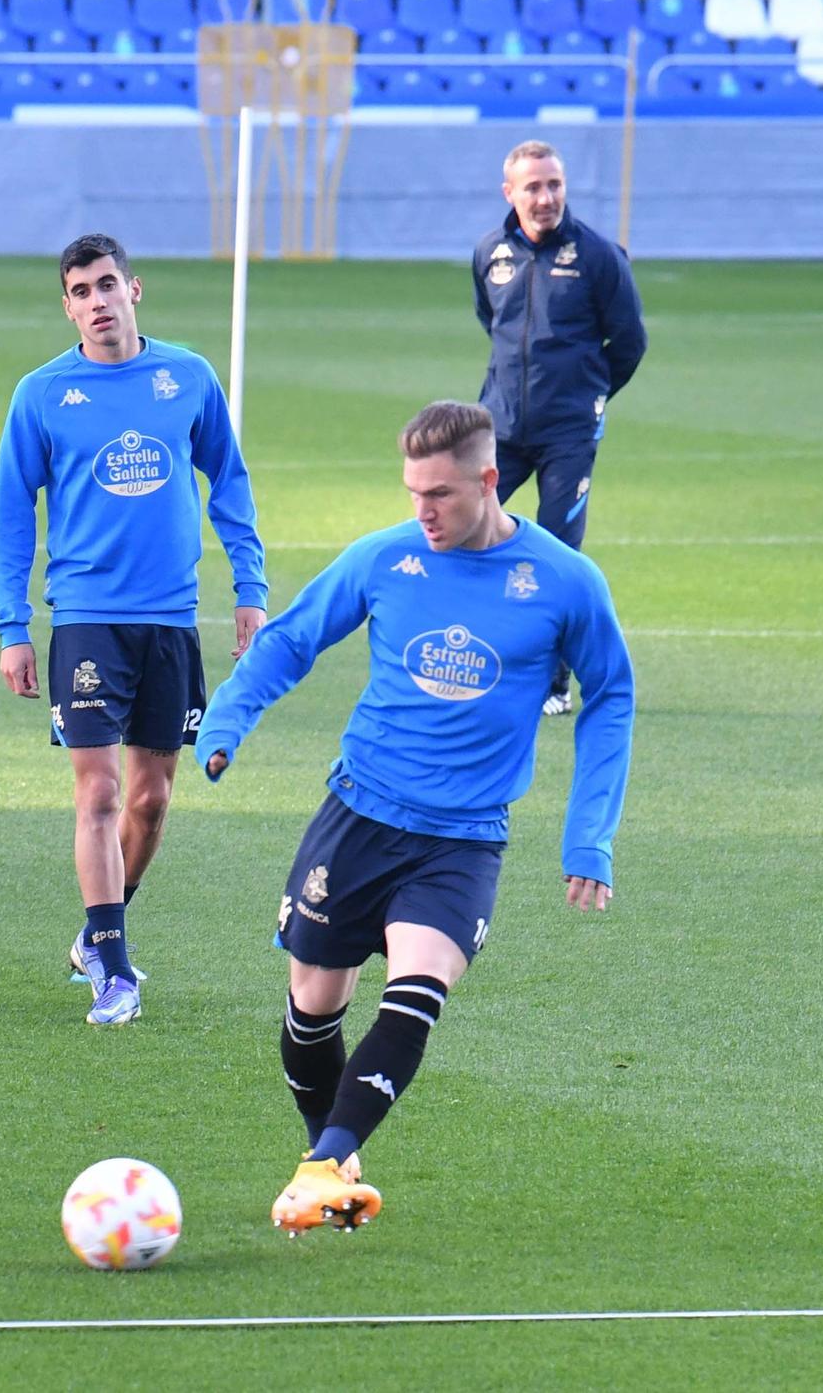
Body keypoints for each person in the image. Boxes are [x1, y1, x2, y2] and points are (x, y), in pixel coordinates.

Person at [195, 400, 634, 1235]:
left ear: (488, 480)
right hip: (357, 816)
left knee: (414, 992)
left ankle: (322, 1167)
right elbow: (290, 641)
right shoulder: (385, 558)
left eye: (439, 493)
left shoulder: (564, 582)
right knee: (311, 1011)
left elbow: (610, 699)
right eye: (411, 492)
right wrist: (227, 720)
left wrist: (589, 837)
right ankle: (329, 1150)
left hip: (462, 840)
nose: (422, 511)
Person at [0, 233, 267, 1028]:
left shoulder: (187, 378)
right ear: (68, 306)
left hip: (171, 621)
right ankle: (115, 971)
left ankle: (96, 930)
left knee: (151, 800)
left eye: (107, 284)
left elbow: (230, 482)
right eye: (80, 291)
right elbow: (13, 515)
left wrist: (250, 588)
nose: (97, 302)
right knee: (101, 792)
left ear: (135, 289)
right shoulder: (42, 394)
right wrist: (15, 626)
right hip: (85, 620)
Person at [474, 139, 646, 716]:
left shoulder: (597, 256)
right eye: (533, 187)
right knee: (466, 531)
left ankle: (553, 679)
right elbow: (492, 324)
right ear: (510, 193)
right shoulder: (490, 254)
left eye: (554, 185)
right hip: (499, 428)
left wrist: (588, 397)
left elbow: (629, 342)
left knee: (552, 552)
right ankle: (471, 656)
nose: (545, 197)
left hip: (569, 434)